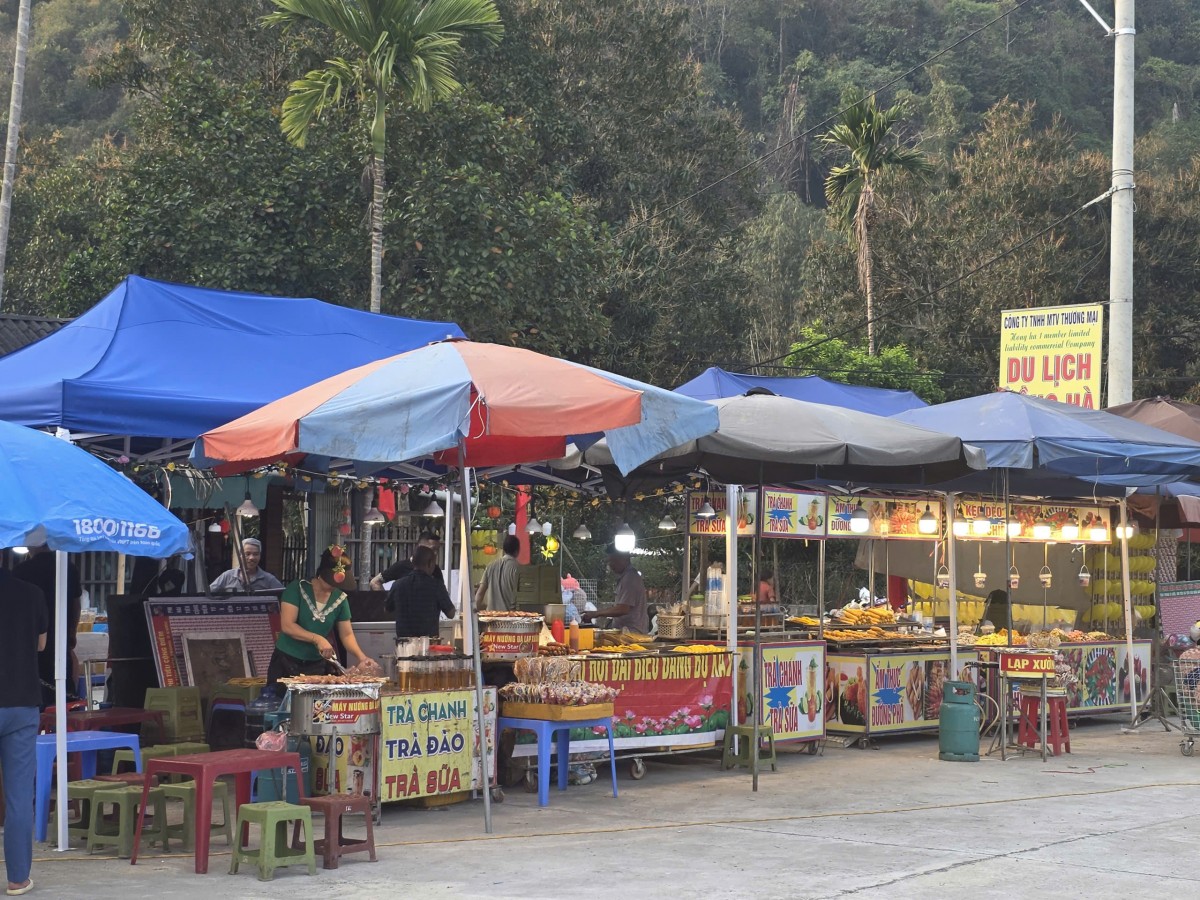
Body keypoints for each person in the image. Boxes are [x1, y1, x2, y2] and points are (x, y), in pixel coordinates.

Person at [0, 564, 48, 896]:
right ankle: (18, 879)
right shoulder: (32, 593)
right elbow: (41, 645)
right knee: (19, 796)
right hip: (20, 703)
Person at [266, 545, 368, 690]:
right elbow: (288, 625)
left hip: (316, 665)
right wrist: (318, 638)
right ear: (322, 574)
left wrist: (361, 657)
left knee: (315, 709)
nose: (333, 587)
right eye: (330, 582)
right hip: (285, 661)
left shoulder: (340, 598)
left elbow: (347, 634)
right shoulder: (296, 589)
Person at [14, 544, 82, 707]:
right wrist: (72, 631)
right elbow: (76, 604)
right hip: (60, 640)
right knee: (64, 693)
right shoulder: (68, 567)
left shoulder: (21, 571)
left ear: (30, 545)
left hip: (29, 644)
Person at [391, 545, 457, 639]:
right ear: (430, 563)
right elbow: (451, 614)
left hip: (403, 645)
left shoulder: (397, 585)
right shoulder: (436, 585)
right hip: (429, 644)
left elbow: (387, 609)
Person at [583, 545, 649, 633]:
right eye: (609, 561)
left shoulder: (630, 578)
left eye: (614, 560)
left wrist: (596, 613)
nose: (611, 565)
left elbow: (623, 608)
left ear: (625, 558)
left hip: (632, 633)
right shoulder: (624, 577)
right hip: (624, 631)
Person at [369, 531, 442, 594]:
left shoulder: (436, 570)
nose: (435, 553)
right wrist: (387, 600)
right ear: (420, 547)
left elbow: (443, 596)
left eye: (437, 550)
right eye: (432, 549)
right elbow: (375, 582)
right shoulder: (401, 566)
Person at [209, 538, 284, 593]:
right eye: (247, 554)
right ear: (240, 555)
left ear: (260, 556)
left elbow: (285, 599)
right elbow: (207, 594)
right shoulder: (227, 576)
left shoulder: (269, 579)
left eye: (256, 554)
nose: (251, 558)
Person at [475, 535, 521, 612]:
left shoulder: (490, 566)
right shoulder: (518, 568)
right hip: (509, 618)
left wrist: (474, 613)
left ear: (504, 550)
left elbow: (480, 593)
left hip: (490, 618)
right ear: (517, 550)